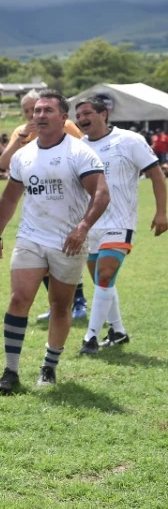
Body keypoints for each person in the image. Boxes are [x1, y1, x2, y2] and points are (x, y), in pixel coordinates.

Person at [0, 91, 109, 394]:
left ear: (63, 118)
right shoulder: (23, 155)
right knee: (18, 299)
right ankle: (10, 372)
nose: (39, 115)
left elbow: (101, 194)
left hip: (68, 241)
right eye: (37, 110)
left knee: (59, 305)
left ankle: (49, 365)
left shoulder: (80, 153)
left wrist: (82, 228)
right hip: (31, 236)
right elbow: (9, 198)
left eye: (47, 111)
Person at [73, 97, 167, 354]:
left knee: (105, 274)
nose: (81, 119)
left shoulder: (130, 140)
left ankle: (90, 338)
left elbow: (156, 175)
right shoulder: (78, 147)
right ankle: (118, 331)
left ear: (104, 114)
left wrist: (162, 212)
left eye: (87, 113)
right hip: (91, 224)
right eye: (78, 115)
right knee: (102, 280)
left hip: (120, 220)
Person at [0, 90, 90, 320]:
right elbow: (3, 163)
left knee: (66, 252)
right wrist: (21, 138)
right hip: (38, 204)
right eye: (28, 111)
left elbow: (85, 155)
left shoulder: (66, 127)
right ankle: (58, 304)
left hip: (68, 203)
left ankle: (77, 302)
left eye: (37, 109)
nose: (33, 115)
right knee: (41, 257)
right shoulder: (22, 132)